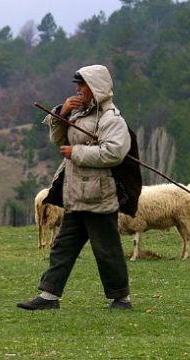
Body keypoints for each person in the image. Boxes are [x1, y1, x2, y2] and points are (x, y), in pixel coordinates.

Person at [17, 64, 132, 310]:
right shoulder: (80, 114)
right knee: (62, 246)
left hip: (99, 195)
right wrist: (63, 113)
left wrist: (77, 152)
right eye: (77, 85)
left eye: (83, 85)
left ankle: (121, 298)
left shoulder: (112, 119)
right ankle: (49, 296)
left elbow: (114, 153)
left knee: (106, 249)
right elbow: (58, 140)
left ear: (96, 87)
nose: (78, 89)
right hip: (76, 194)